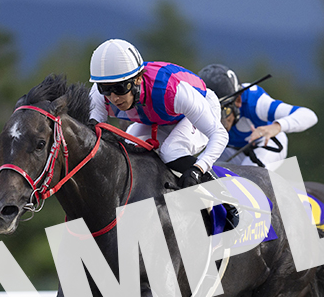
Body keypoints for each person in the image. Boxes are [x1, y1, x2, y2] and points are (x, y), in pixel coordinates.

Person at [88, 39, 229, 189]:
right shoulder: (98, 95)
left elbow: (220, 135)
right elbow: (92, 137)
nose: (114, 98)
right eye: (105, 89)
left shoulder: (172, 90)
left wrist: (198, 168)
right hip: (161, 117)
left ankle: (224, 195)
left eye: (120, 88)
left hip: (200, 105)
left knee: (171, 151)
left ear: (138, 79)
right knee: (127, 150)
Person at [198, 64, 318, 168]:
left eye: (222, 110)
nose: (218, 120)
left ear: (238, 100)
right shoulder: (193, 106)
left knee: (247, 178)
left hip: (265, 143)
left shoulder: (255, 101)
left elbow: (309, 115)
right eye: (210, 111)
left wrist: (276, 127)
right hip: (229, 148)